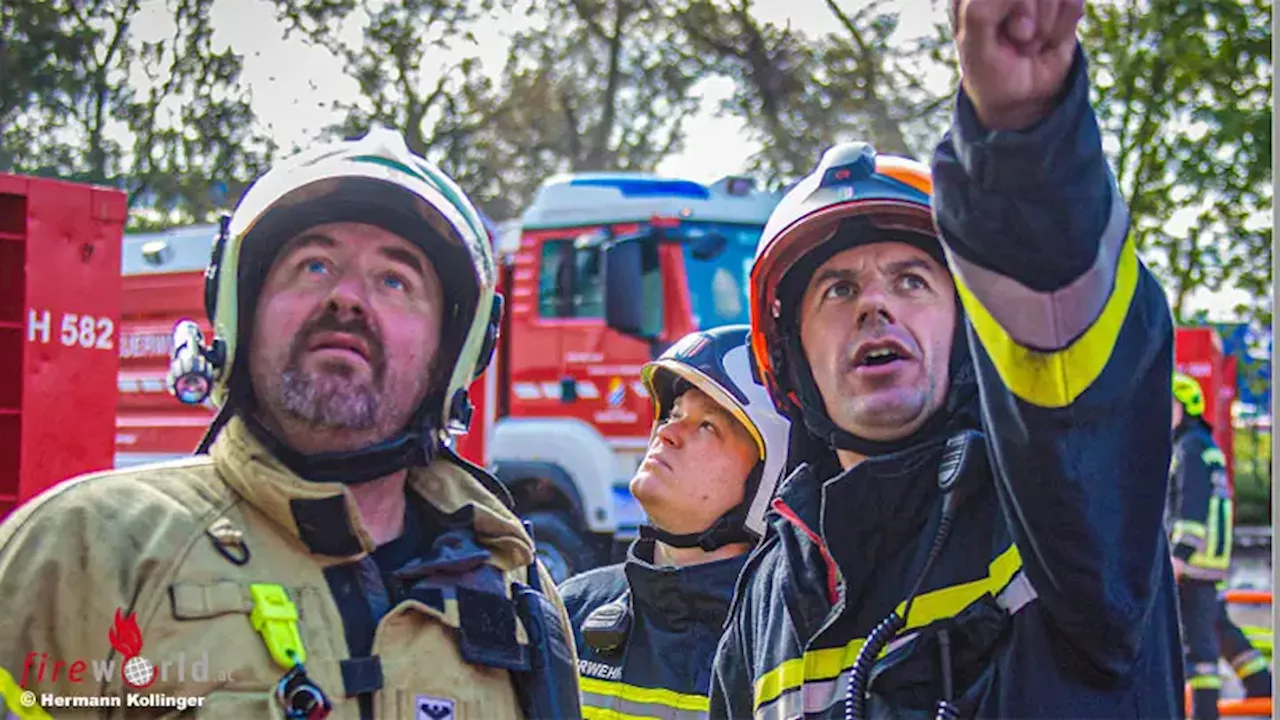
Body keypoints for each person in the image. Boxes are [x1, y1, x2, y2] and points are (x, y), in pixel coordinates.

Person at [0, 128, 580, 720]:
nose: (347, 299)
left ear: (450, 355)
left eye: (394, 280)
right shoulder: (90, 547)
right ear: (241, 312)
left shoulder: (514, 588)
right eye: (315, 265)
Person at [708, 0, 1185, 717]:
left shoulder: (1053, 509)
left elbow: (1066, 359)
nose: (875, 306)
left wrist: (1025, 142)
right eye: (838, 289)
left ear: (967, 334)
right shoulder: (771, 591)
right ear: (793, 359)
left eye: (911, 281)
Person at [558, 325, 792, 719]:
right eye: (673, 413)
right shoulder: (569, 612)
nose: (667, 432)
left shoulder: (788, 641)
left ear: (768, 479)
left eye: (706, 426)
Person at [1169, 372, 1272, 719]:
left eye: (1170, 404)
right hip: (1209, 562)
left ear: (1187, 407)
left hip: (1194, 563)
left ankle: (1204, 713)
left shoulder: (1189, 448)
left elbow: (1191, 506)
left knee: (1198, 651)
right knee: (1219, 627)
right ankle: (1263, 686)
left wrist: (1179, 555)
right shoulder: (1203, 445)